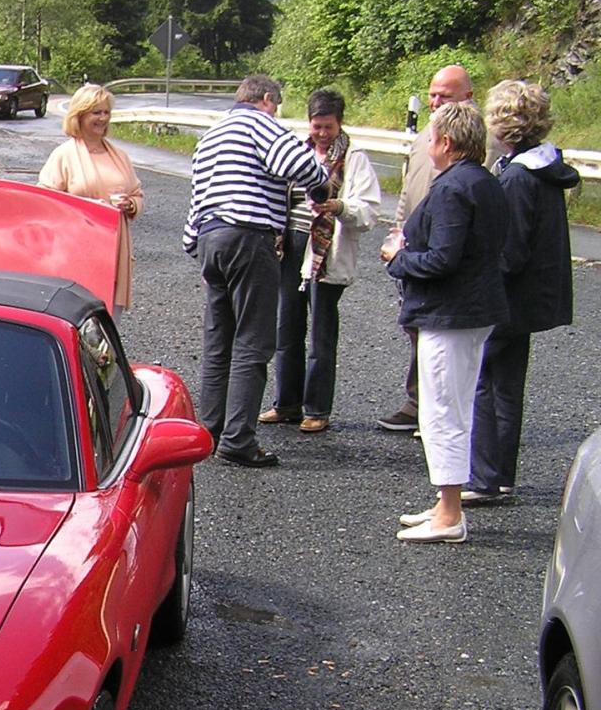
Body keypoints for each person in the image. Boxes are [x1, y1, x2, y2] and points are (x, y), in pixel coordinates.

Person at [182, 74, 328, 468]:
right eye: (276, 106)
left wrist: (194, 246)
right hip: (249, 236)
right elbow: (297, 163)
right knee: (253, 341)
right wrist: (321, 184)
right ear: (266, 99)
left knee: (219, 342)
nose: (276, 112)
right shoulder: (260, 123)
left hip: (210, 238)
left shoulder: (211, 136)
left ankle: (208, 431)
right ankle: (239, 439)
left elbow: (196, 195)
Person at [381, 102, 509, 543]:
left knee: (442, 412)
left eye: (431, 138)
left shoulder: (454, 187)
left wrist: (399, 258)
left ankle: (450, 512)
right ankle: (444, 503)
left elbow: (442, 258)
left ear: (447, 143)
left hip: (450, 313)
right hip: (473, 309)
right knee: (453, 405)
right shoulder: (487, 182)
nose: (428, 145)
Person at [464, 80, 577, 504]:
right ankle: (501, 474)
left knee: (485, 382)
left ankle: (485, 477)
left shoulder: (516, 178)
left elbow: (508, 251)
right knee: (508, 385)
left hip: (508, 296)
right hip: (533, 297)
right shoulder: (545, 168)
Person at [379, 65, 508, 432]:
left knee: (447, 363)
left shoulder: (475, 148)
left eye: (444, 96)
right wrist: (402, 227)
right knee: (418, 331)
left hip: (450, 271)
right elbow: (410, 186)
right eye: (432, 94)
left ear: (468, 97)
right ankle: (419, 399)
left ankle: (436, 419)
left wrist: (406, 257)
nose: (435, 101)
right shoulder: (427, 135)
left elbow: (461, 231)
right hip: (417, 244)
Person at [259, 88, 380, 433]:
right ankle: (286, 403)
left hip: (326, 250)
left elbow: (369, 211)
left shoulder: (354, 158)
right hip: (291, 245)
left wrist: (338, 207)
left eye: (328, 127)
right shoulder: (298, 152)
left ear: (340, 124)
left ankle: (317, 408)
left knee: (322, 332)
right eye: (317, 126)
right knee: (287, 326)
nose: (322, 134)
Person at [37, 83, 144, 311]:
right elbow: (44, 202)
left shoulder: (120, 155)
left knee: (109, 322)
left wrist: (130, 204)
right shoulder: (63, 155)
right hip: (77, 252)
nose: (103, 118)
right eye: (96, 112)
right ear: (80, 115)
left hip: (114, 252)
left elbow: (137, 194)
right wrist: (86, 208)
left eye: (106, 112)